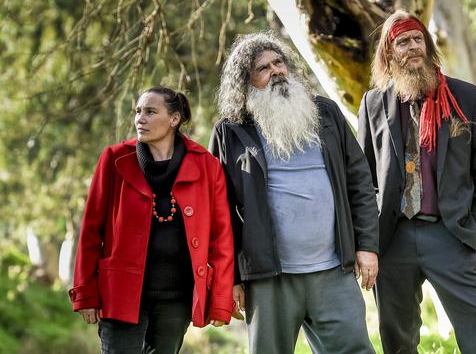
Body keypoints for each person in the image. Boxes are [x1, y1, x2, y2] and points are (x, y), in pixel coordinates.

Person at [209, 32, 379, 354]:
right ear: (245, 83)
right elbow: (221, 211)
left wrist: (367, 245)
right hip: (268, 277)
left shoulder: (326, 114)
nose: (276, 71)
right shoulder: (230, 131)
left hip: (333, 271)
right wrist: (229, 278)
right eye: (262, 68)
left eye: (279, 62)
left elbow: (360, 183)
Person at [357, 10, 476, 354]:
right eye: (402, 42)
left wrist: (475, 231)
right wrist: (368, 240)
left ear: (428, 44)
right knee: (397, 336)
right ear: (389, 53)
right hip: (392, 238)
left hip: (450, 233)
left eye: (417, 39)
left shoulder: (467, 98)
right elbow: (364, 177)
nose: (412, 47)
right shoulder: (373, 103)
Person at [69, 87, 235, 354]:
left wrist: (220, 299)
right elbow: (90, 231)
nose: (140, 119)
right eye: (138, 112)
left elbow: (222, 238)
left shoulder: (206, 165)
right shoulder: (114, 159)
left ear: (174, 119)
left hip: (175, 299)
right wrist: (85, 292)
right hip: (120, 294)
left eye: (150, 111)